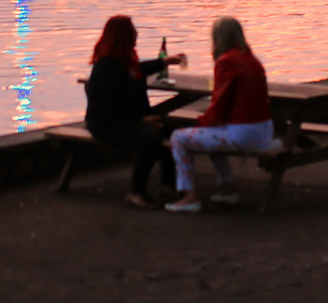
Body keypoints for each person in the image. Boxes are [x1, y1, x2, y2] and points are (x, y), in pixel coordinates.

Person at [165, 16, 273, 214]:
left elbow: (218, 105)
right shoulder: (252, 59)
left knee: (178, 138)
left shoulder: (226, 62)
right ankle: (227, 189)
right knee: (213, 133)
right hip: (264, 130)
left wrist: (199, 124)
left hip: (244, 134)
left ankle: (189, 196)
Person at [83, 15, 188, 209]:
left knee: (171, 130)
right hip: (106, 123)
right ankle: (136, 192)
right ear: (123, 36)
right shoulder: (107, 66)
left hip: (125, 118)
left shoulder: (125, 61)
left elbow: (140, 69)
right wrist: (142, 119)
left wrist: (165, 62)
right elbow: (113, 104)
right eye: (132, 31)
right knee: (150, 139)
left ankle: (168, 183)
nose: (136, 34)